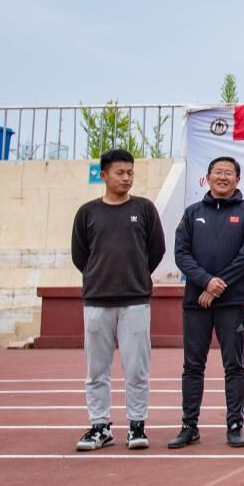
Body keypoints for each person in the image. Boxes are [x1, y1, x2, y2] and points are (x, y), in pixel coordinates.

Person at [71, 149, 165, 452]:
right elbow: (80, 255)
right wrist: (99, 276)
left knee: (136, 368)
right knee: (96, 370)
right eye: (119, 173)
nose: (126, 178)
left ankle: (137, 425)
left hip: (135, 300)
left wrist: (136, 275)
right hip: (97, 301)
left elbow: (157, 250)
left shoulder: (144, 209)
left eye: (130, 173)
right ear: (104, 175)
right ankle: (100, 426)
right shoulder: (88, 213)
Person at [169, 156, 244, 449]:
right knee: (192, 366)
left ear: (238, 179)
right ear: (207, 177)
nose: (223, 177)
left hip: (232, 302)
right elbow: (181, 254)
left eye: (228, 173)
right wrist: (206, 281)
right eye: (218, 172)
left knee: (234, 365)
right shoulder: (192, 213)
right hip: (196, 301)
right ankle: (189, 426)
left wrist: (218, 285)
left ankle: (234, 425)